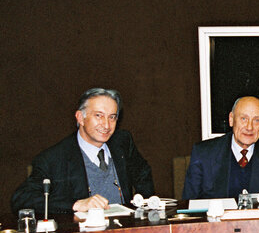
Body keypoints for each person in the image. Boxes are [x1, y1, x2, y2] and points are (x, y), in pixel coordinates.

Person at [11, 88, 154, 214]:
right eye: (98, 115)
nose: (106, 125)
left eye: (112, 117)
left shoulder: (122, 142)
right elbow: (22, 198)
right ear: (80, 117)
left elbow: (143, 172)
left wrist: (144, 207)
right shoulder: (54, 158)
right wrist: (76, 205)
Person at [182, 96, 259, 199]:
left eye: (257, 120)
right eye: (243, 119)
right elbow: (189, 206)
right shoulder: (203, 154)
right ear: (231, 119)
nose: (249, 127)